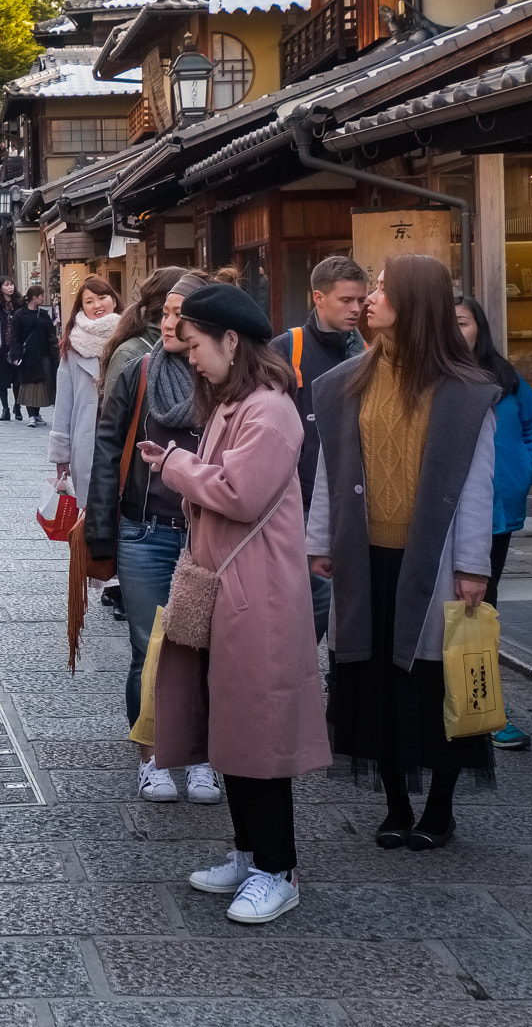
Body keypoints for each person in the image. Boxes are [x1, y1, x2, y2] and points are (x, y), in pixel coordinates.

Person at [136, 283, 329, 925]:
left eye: (195, 345)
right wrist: (182, 465)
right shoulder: (235, 403)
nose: (190, 358)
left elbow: (239, 492)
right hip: (230, 585)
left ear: (230, 341)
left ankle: (279, 868)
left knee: (262, 732)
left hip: (260, 592)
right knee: (237, 728)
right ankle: (250, 855)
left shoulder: (269, 409)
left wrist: (174, 467)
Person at [310, 255, 498, 850]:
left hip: (435, 561)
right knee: (374, 684)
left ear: (414, 302)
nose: (370, 298)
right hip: (365, 556)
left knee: (434, 684)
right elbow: (328, 472)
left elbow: (476, 485)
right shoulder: (348, 380)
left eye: (384, 290)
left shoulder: (466, 393)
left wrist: (473, 564)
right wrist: (321, 540)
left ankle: (438, 807)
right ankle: (394, 804)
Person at [85, 270, 215, 803]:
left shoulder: (228, 379)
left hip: (208, 534)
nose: (166, 322)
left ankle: (203, 756)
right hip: (145, 530)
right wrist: (100, 532)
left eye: (178, 315)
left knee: (204, 649)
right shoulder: (139, 373)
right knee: (149, 646)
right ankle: (154, 755)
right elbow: (108, 450)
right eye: (164, 313)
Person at [455, 295, 532, 751]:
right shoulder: (431, 377)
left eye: (464, 323)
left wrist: (527, 467)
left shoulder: (506, 378)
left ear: (480, 328)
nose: (458, 332)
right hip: (446, 515)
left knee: (480, 611)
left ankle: (485, 709)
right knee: (447, 614)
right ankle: (454, 703)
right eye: (448, 324)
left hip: (496, 514)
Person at [271, 255, 368, 642]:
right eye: (346, 300)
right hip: (301, 498)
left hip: (355, 499)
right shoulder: (287, 348)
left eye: (361, 300)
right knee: (316, 602)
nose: (356, 309)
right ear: (319, 298)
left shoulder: (366, 352)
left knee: (348, 607)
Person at [49, 274, 120, 508]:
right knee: (91, 514)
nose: (97, 305)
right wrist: (62, 456)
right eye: (89, 301)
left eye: (102, 297)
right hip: (87, 438)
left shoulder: (129, 339)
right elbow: (64, 403)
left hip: (122, 434)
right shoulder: (73, 346)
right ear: (82, 307)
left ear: (114, 301)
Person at [9, 286, 58, 426]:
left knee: (42, 384)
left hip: (43, 354)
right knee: (29, 384)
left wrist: (55, 352)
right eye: (41, 296)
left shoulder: (44, 315)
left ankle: (37, 414)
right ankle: (31, 414)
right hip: (27, 355)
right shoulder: (20, 314)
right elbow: (15, 337)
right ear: (34, 297)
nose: (43, 298)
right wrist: (16, 355)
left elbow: (51, 335)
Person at [0, 279, 23, 421]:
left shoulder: (19, 303)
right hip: (0, 345)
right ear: (1, 287)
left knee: (17, 377)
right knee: (1, 378)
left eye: (11, 284)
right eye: (6, 285)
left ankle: (18, 406)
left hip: (16, 345)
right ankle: (5, 408)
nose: (10, 287)